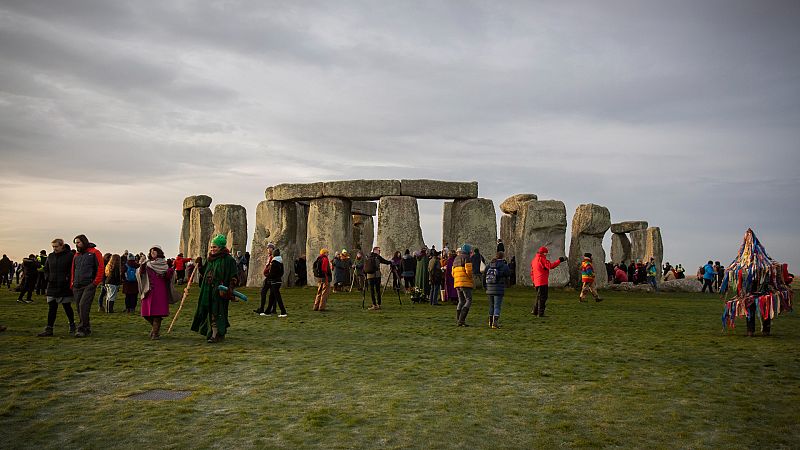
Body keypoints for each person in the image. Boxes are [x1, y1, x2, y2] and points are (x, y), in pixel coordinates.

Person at [190, 234, 239, 343]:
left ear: (221, 247)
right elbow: (206, 273)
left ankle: (215, 334)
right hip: (207, 290)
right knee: (208, 311)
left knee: (217, 312)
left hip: (220, 291)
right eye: (211, 247)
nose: (212, 249)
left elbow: (234, 276)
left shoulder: (228, 260)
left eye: (215, 247)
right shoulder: (210, 259)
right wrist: (200, 266)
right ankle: (215, 333)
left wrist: (229, 289)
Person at [38, 239, 76, 336]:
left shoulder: (70, 256)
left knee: (67, 307)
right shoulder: (50, 256)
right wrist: (48, 277)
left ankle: (72, 325)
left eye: (56, 246)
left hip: (64, 286)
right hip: (52, 285)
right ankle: (49, 329)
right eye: (53, 246)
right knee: (52, 308)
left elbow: (73, 269)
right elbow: (46, 268)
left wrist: (68, 278)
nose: (54, 248)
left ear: (62, 246)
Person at [70, 235, 104, 337]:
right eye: (75, 243)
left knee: (83, 306)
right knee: (79, 308)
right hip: (77, 285)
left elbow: (100, 268)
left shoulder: (95, 252)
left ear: (84, 242)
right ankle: (86, 328)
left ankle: (82, 329)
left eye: (78, 242)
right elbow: (73, 269)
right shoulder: (76, 255)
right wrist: (72, 283)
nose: (77, 245)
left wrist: (94, 283)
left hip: (88, 284)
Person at [139, 246, 175, 340]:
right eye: (151, 251)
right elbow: (141, 273)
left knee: (157, 314)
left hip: (160, 291)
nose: (152, 253)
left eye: (154, 251)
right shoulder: (148, 264)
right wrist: (142, 264)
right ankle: (155, 329)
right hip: (149, 291)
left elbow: (169, 276)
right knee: (146, 314)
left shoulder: (164, 264)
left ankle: (155, 333)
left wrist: (169, 271)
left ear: (158, 252)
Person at [530, 246, 565, 317]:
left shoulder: (534, 260)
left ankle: (535, 311)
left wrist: (533, 281)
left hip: (536, 281)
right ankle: (541, 313)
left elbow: (532, 272)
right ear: (543, 253)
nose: (546, 255)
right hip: (542, 281)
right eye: (546, 253)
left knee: (538, 297)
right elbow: (550, 266)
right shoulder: (542, 259)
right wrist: (559, 261)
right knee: (543, 297)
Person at [485, 251, 511, 329]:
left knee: (491, 305)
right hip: (498, 287)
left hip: (489, 287)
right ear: (502, 257)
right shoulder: (504, 265)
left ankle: (490, 322)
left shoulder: (490, 265)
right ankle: (495, 323)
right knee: (497, 306)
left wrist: (485, 286)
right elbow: (508, 274)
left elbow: (485, 274)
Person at [452, 244, 474, 326]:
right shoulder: (467, 258)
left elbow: (452, 272)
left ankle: (458, 319)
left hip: (457, 282)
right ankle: (461, 320)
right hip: (465, 282)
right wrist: (471, 279)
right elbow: (469, 271)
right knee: (469, 300)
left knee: (461, 301)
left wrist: (457, 279)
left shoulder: (456, 259)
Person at [264, 248, 288, 317]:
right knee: (271, 296)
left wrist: (267, 276)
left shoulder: (274, 263)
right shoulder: (281, 262)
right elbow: (282, 272)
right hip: (278, 281)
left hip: (274, 281)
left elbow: (272, 273)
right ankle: (267, 311)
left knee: (277, 297)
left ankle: (283, 312)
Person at [254, 243, 275, 315]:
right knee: (271, 293)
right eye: (267, 248)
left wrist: (268, 273)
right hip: (268, 277)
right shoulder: (269, 257)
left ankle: (264, 308)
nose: (268, 249)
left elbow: (271, 267)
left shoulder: (273, 257)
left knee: (267, 292)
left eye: (269, 248)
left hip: (270, 277)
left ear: (272, 249)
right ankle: (265, 308)